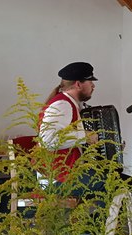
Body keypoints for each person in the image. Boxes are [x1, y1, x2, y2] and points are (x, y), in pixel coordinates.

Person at [38, 62, 106, 201]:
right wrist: (84, 136)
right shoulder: (63, 104)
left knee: (115, 178)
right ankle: (97, 222)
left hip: (66, 172)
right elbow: (48, 141)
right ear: (78, 84)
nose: (93, 85)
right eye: (90, 81)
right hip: (56, 178)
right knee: (110, 186)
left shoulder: (69, 103)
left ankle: (97, 221)